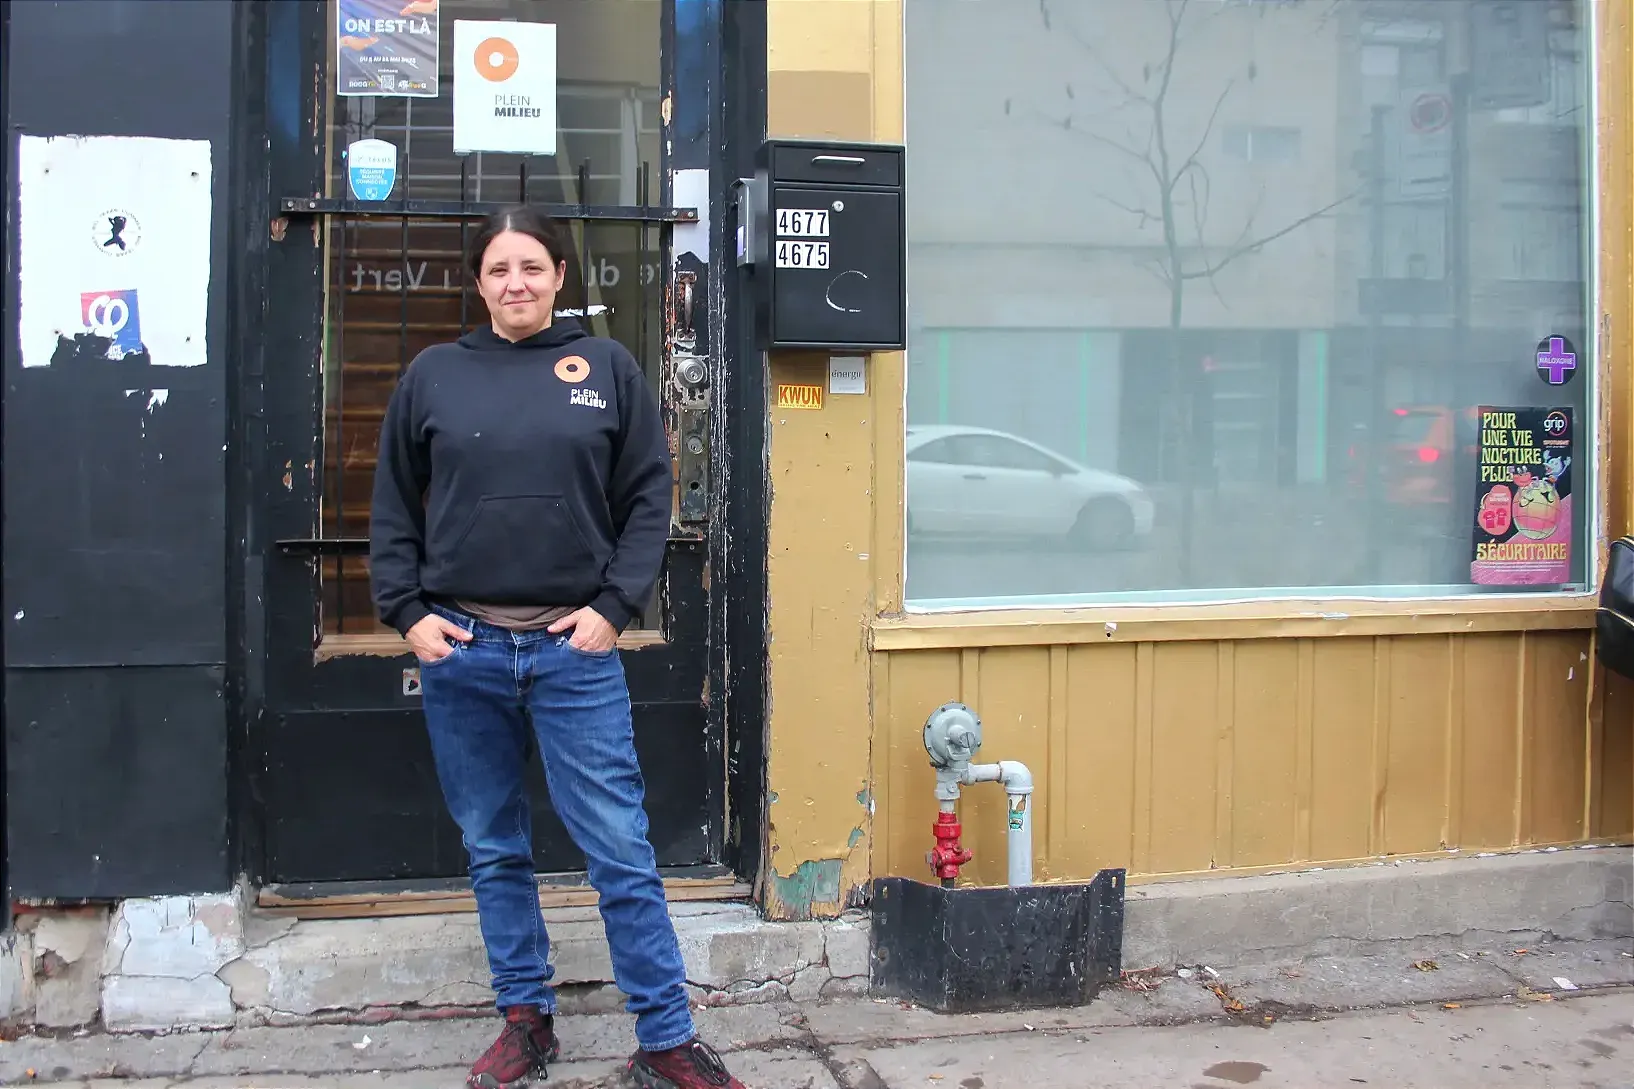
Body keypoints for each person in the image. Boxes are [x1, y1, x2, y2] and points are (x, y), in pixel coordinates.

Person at [369, 205, 745, 1089]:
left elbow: (651, 497)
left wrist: (615, 607)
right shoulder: (434, 376)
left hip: (573, 650)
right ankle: (526, 1020)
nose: (516, 283)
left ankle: (664, 1038)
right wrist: (407, 611)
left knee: (619, 847)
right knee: (494, 844)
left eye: (532, 267)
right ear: (479, 283)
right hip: (463, 649)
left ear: (560, 276)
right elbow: (392, 504)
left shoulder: (606, 369)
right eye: (499, 269)